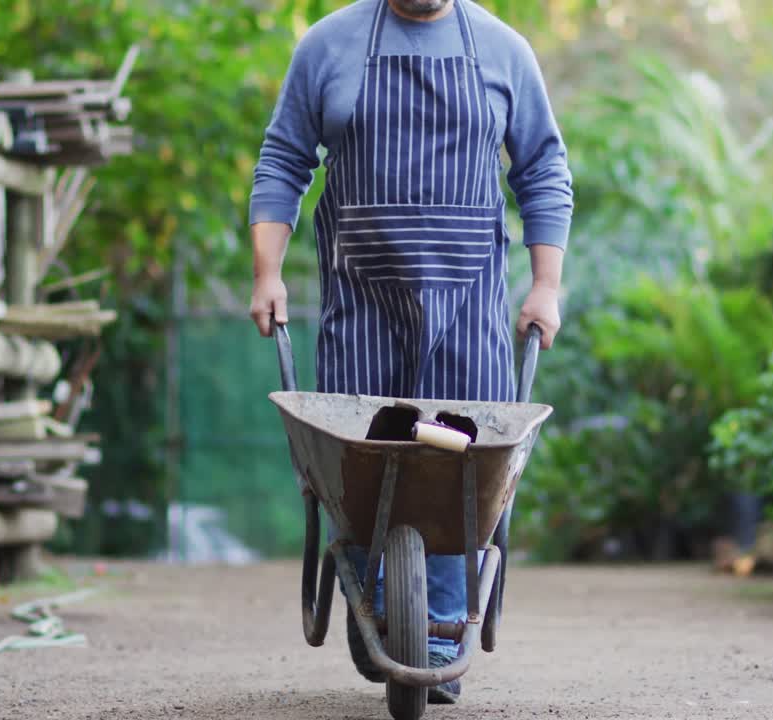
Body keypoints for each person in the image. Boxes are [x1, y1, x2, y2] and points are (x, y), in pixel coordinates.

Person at [248, 0, 572, 704]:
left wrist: (546, 284)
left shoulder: (502, 49)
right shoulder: (328, 45)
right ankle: (380, 618)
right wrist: (266, 274)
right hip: (360, 307)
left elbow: (543, 167)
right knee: (358, 459)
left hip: (470, 314)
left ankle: (438, 630)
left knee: (461, 468)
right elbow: (284, 159)